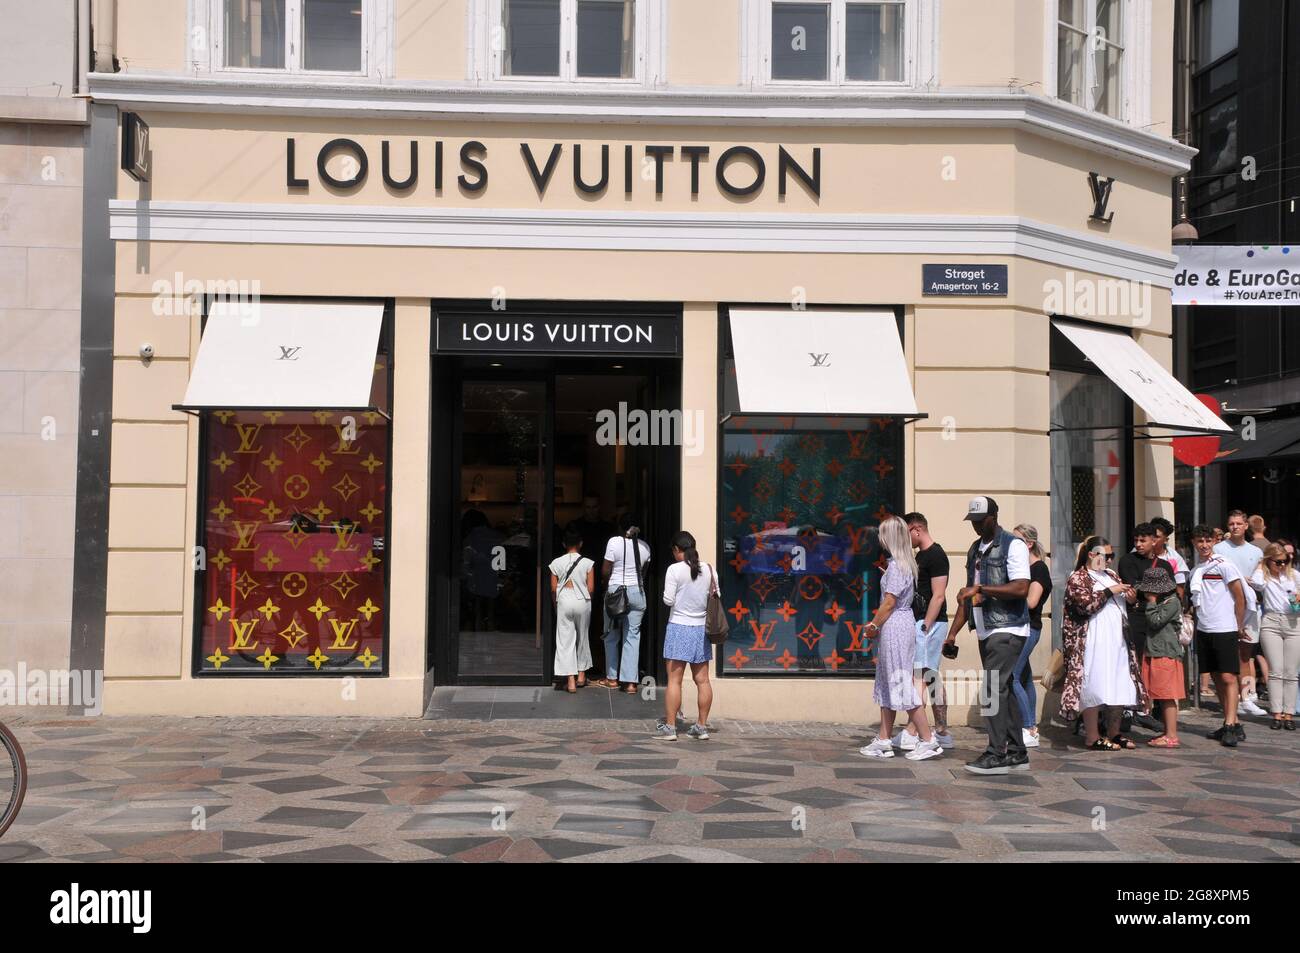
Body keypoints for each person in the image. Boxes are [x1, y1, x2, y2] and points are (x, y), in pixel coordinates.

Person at [943, 496, 1031, 775]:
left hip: (1008, 628)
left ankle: (996, 753)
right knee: (1003, 688)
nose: (977, 526)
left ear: (994, 516)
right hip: (985, 628)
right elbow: (967, 595)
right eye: (973, 521)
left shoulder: (1013, 545)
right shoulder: (975, 549)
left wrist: (981, 590)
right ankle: (1017, 752)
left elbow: (1020, 588)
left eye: (981, 520)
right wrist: (952, 633)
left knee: (993, 688)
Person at [859, 517, 943, 762]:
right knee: (889, 681)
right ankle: (884, 739)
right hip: (901, 623)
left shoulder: (897, 566)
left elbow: (889, 602)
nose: (879, 539)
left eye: (883, 534)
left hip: (895, 623)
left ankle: (928, 740)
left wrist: (874, 624)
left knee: (899, 682)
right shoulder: (903, 564)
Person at [1059, 537, 1149, 750]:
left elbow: (1126, 604)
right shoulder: (1078, 577)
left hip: (1117, 639)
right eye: (1105, 555)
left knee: (1117, 685)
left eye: (1111, 556)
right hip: (1093, 640)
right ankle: (1092, 735)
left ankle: (1114, 732)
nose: (1109, 560)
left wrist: (1130, 598)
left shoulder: (1111, 575)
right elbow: (1085, 606)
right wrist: (1111, 591)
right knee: (1094, 684)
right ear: (1092, 554)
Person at [890, 512, 953, 750]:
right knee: (931, 675)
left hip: (930, 624)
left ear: (917, 529)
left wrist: (926, 624)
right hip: (924, 622)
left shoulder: (936, 555)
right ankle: (942, 731)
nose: (906, 540)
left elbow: (938, 594)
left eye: (906, 534)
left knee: (921, 677)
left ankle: (913, 731)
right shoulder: (920, 556)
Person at [1191, 524, 1248, 746]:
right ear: (1194, 543)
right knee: (1215, 676)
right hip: (1204, 628)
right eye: (1199, 541)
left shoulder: (1224, 565)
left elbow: (1239, 596)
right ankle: (1230, 722)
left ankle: (1231, 724)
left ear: (1214, 542)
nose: (1204, 545)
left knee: (1228, 677)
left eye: (1207, 541)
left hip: (1225, 628)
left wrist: (1239, 624)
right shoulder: (1197, 570)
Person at [654, 531, 715, 741]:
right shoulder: (708, 569)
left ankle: (670, 728)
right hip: (701, 630)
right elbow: (716, 597)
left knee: (674, 680)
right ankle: (701, 726)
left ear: (676, 550)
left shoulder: (674, 569)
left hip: (679, 627)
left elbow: (668, 600)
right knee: (703, 680)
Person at [1118, 523, 1175, 733]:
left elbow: (1168, 591)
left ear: (1154, 541)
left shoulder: (1165, 565)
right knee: (1132, 662)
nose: (1139, 545)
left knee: (1153, 666)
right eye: (1136, 540)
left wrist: (1143, 590)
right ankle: (1128, 710)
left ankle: (1145, 709)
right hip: (1135, 618)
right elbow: (1133, 585)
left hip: (1157, 619)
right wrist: (1146, 590)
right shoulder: (1127, 561)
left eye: (1143, 540)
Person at [1215, 510, 1267, 716]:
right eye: (1231, 524)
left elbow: (1262, 579)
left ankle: (1246, 697)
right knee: (1226, 654)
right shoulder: (1219, 549)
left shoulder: (1256, 552)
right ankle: (1230, 697)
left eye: (1238, 523)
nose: (1235, 527)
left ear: (1246, 526)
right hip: (1225, 607)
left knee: (1245, 655)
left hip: (1250, 608)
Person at [598, 513, 651, 694]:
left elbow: (606, 570)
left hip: (616, 592)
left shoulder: (614, 542)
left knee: (611, 635)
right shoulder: (645, 547)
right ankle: (630, 683)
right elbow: (643, 573)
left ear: (620, 527)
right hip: (637, 592)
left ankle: (612, 679)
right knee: (632, 637)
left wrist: (606, 586)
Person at [1249, 542, 1299, 730]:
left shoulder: (1294, 576)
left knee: (1291, 672)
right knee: (1276, 670)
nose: (1282, 565)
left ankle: (1289, 713)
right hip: (1271, 622)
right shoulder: (1265, 576)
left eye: (1285, 561)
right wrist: (1262, 565)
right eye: (1277, 562)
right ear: (1269, 561)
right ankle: (1277, 713)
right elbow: (1255, 582)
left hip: (1294, 622)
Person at [1011, 524, 1052, 747]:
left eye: (1016, 540)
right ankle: (1030, 725)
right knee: (1024, 677)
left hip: (1029, 628)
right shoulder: (1026, 569)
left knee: (1012, 677)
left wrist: (1006, 595)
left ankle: (1028, 727)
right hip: (1023, 627)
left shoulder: (1038, 570)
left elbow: (1031, 602)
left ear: (1029, 544)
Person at [566, 496, 616, 671]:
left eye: (594, 506)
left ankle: (595, 662)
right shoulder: (575, 527)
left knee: (598, 622)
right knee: (577, 624)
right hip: (578, 580)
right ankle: (578, 666)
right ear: (583, 508)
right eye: (587, 507)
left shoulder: (607, 529)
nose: (591, 510)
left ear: (599, 507)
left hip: (601, 580)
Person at [1139, 565, 1186, 748]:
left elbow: (1155, 621)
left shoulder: (1172, 602)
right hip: (1156, 651)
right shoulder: (1164, 601)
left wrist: (1150, 602)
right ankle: (1167, 732)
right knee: (1160, 695)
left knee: (1167, 695)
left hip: (1165, 653)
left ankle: (1171, 736)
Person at [549, 529, 594, 693]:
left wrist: (556, 606)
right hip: (582, 600)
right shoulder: (588, 563)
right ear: (580, 544)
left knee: (565, 641)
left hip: (564, 601)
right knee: (583, 638)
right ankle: (581, 675)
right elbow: (591, 588)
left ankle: (570, 681)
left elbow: (553, 589)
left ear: (563, 544)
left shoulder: (555, 563)